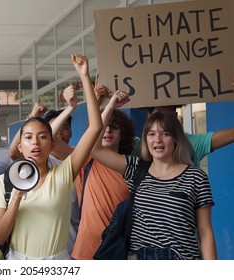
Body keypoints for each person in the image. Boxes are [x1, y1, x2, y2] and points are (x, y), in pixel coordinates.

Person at [0, 54, 102, 260]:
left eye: (42, 137)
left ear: (53, 145)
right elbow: (0, 237)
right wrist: (17, 197)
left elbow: (95, 128)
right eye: (28, 138)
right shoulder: (4, 182)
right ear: (20, 146)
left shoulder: (64, 173)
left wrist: (84, 77)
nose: (36, 143)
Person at [90, 91, 216, 260]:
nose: (157, 140)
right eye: (151, 134)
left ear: (176, 139)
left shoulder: (196, 177)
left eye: (165, 134)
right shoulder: (136, 168)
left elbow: (205, 231)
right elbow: (95, 149)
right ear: (145, 139)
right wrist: (110, 107)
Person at [71, 108, 135, 260]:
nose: (108, 131)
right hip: (85, 250)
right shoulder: (85, 160)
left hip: (117, 249)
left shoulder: (131, 166)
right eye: (104, 127)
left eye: (114, 127)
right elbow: (54, 143)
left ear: (123, 134)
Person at [143, 105, 234, 167]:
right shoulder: (141, 146)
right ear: (149, 117)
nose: (158, 140)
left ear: (175, 116)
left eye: (167, 117)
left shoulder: (192, 143)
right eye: (152, 134)